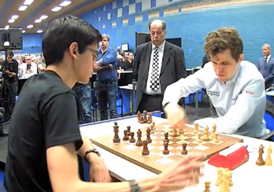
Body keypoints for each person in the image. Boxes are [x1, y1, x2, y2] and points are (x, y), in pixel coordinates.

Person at [4, 15, 205, 192]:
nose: (93, 64)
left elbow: (71, 131)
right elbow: (68, 188)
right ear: (74, 50)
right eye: (92, 55)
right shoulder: (60, 96)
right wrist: (153, 184)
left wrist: (92, 155)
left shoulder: (36, 84)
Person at [162, 27, 266, 138]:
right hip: (220, 135)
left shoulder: (253, 79)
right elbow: (176, 87)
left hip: (252, 140)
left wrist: (193, 124)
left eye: (225, 63)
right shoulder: (209, 70)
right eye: (214, 62)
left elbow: (230, 124)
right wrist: (171, 106)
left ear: (240, 59)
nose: (218, 69)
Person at [133, 19, 187, 114]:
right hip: (145, 100)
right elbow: (136, 73)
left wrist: (179, 103)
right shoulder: (141, 50)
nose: (155, 36)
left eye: (158, 33)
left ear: (165, 32)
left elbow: (181, 78)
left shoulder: (176, 52)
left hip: (167, 101)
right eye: (152, 33)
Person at [93, 34, 119, 120]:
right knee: (102, 110)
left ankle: (115, 130)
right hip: (99, 84)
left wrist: (99, 64)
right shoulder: (96, 53)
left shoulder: (113, 51)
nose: (103, 42)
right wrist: (106, 66)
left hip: (111, 84)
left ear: (108, 42)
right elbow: (94, 67)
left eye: (105, 40)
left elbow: (106, 60)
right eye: (101, 40)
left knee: (113, 110)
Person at [1, 50, 18, 115]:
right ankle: (8, 112)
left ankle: (13, 112)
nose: (10, 59)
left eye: (11, 57)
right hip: (5, 81)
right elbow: (2, 71)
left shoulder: (15, 62)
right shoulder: (3, 62)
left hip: (13, 82)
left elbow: (15, 73)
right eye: (8, 57)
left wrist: (9, 72)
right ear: (6, 57)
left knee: (13, 98)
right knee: (6, 98)